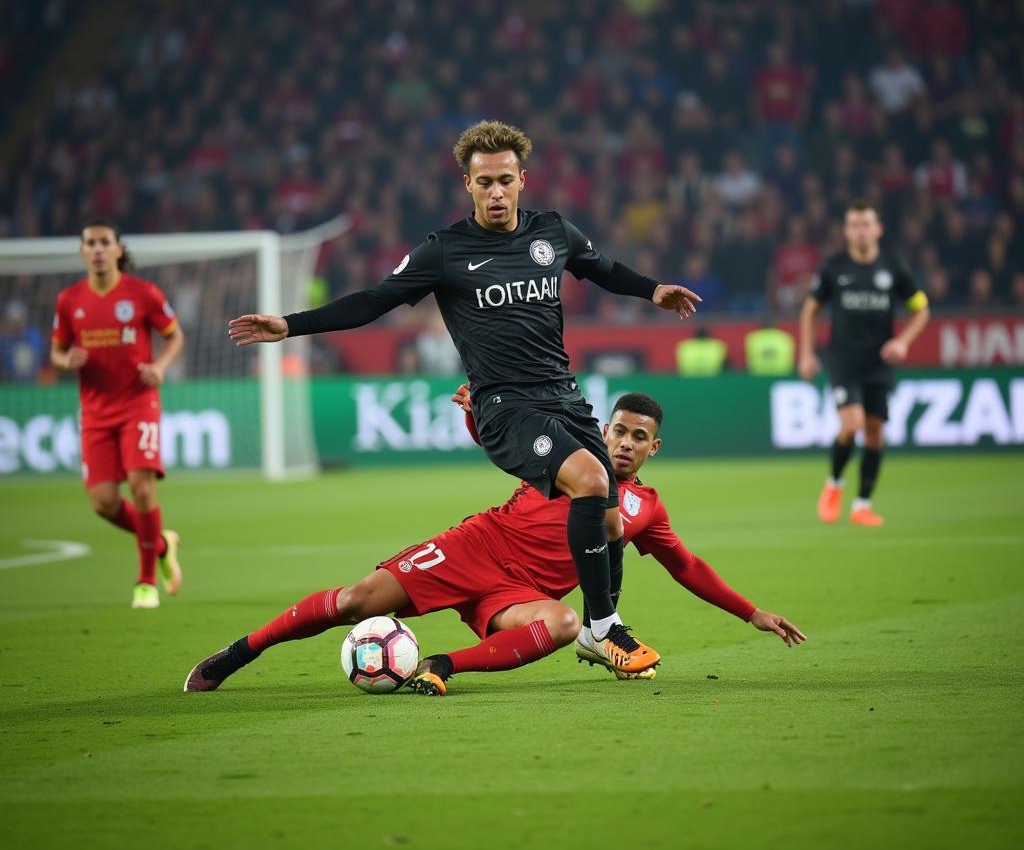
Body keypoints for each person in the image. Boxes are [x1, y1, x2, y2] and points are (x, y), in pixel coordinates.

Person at [227, 120, 701, 675]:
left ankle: (598, 624)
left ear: (523, 180)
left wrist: (652, 290)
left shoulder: (553, 234)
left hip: (566, 405)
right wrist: (290, 324)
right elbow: (374, 301)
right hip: (504, 406)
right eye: (484, 183)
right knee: (595, 485)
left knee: (612, 522)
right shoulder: (445, 250)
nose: (496, 193)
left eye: (505, 181)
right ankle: (602, 631)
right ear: (467, 186)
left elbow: (604, 270)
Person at [185, 391, 804, 695]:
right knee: (355, 601)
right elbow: (503, 441)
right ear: (605, 429)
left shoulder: (647, 509)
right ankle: (239, 654)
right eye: (618, 431)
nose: (623, 444)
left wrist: (754, 613)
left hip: (521, 594)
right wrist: (474, 416)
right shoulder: (574, 457)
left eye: (638, 438)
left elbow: (687, 566)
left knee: (563, 622)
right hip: (475, 547)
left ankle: (442, 666)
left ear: (653, 448)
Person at [50, 218, 186, 608]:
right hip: (95, 411)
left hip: (138, 403)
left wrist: (159, 368)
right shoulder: (69, 300)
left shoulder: (142, 294)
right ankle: (162, 543)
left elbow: (174, 335)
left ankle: (145, 582)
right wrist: (65, 360)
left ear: (118, 250)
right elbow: (56, 351)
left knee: (142, 488)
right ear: (82, 252)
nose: (96, 249)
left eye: (103, 242)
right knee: (103, 503)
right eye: (89, 243)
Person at [798, 202, 930, 526]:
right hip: (843, 360)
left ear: (878, 229)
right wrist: (806, 352)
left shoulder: (894, 268)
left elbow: (922, 309)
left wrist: (903, 341)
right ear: (845, 232)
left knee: (875, 433)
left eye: (866, 224)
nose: (860, 230)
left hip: (879, 363)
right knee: (852, 424)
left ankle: (862, 505)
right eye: (854, 225)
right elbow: (810, 310)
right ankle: (834, 484)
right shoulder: (834, 269)